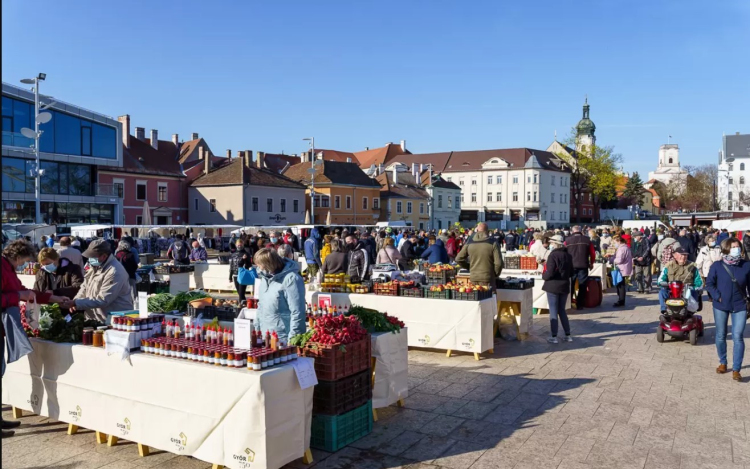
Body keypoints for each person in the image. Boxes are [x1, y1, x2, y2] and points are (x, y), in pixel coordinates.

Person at [2, 240, 70, 438]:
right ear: (17, 257)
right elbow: (18, 294)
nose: (24, 265)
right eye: (24, 261)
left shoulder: (8, 268)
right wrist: (17, 295)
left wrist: (55, 299)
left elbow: (27, 293)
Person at [704, 237, 748, 381]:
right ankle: (723, 362)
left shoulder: (746, 265)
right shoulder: (717, 265)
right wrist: (718, 296)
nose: (736, 249)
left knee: (738, 336)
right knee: (721, 334)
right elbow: (709, 284)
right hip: (721, 305)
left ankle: (736, 369)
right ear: (726, 249)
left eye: (738, 246)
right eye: (733, 246)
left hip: (740, 305)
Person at [63, 239, 135, 322]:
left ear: (104, 256)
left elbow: (103, 299)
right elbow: (84, 287)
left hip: (114, 320)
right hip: (96, 318)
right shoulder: (94, 268)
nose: (89, 259)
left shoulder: (115, 271)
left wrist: (76, 303)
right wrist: (76, 300)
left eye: (92, 256)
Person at [253, 248, 305, 344]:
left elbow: (297, 311)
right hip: (266, 335)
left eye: (260, 265)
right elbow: (261, 306)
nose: (258, 267)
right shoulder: (264, 278)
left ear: (268, 264)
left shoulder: (291, 279)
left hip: (283, 338)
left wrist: (293, 339)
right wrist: (257, 327)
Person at [542, 235, 574, 343]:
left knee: (553, 311)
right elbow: (572, 272)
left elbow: (550, 272)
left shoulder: (553, 255)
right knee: (562, 310)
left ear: (555, 244)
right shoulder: (568, 255)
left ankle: (554, 336)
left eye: (551, 243)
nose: (550, 244)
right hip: (564, 285)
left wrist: (544, 276)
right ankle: (568, 334)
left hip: (553, 285)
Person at [455, 222, 503, 288]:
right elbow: (499, 263)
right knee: (489, 297)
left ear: (477, 230)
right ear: (488, 231)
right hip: (488, 278)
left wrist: (469, 267)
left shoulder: (469, 242)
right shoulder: (493, 243)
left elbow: (458, 259)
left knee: (476, 296)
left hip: (474, 277)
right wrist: (495, 274)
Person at [657, 246, 703, 314]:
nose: (683, 257)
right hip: (672, 290)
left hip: (687, 290)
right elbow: (660, 280)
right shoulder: (668, 266)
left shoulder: (692, 267)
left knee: (692, 292)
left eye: (685, 255)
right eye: (681, 254)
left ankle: (688, 311)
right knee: (662, 292)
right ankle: (665, 310)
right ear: (675, 255)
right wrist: (665, 284)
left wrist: (693, 287)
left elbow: (699, 282)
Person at [564, 226, 595, 310]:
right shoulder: (587, 240)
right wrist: (591, 263)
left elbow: (564, 253)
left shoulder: (567, 240)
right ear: (581, 231)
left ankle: (569, 302)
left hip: (571, 266)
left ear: (572, 231)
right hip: (583, 265)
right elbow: (592, 253)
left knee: (571, 284)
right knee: (582, 285)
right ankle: (580, 304)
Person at [695, 234, 722, 300]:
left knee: (717, 283)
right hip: (707, 269)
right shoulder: (704, 249)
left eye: (713, 240)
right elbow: (699, 260)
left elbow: (722, 257)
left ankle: (717, 295)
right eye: (711, 241)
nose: (713, 241)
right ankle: (710, 296)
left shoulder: (719, 248)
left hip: (718, 269)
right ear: (707, 242)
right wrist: (698, 270)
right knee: (709, 284)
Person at [611, 235, 633, 307]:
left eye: (615, 242)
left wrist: (612, 260)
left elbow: (619, 260)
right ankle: (621, 300)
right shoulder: (626, 247)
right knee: (621, 284)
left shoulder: (621, 249)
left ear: (618, 241)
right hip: (624, 267)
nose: (614, 244)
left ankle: (621, 300)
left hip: (621, 268)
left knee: (621, 285)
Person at [229, 239, 253, 304]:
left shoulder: (246, 254)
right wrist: (230, 277)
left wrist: (244, 260)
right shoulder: (233, 254)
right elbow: (231, 266)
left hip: (243, 275)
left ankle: (241, 304)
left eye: (241, 244)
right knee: (239, 292)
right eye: (238, 245)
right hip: (235, 275)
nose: (239, 246)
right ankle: (244, 303)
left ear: (243, 245)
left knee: (241, 292)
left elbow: (249, 265)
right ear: (236, 245)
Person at [115, 240, 139, 306]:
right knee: (132, 291)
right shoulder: (130, 255)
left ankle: (122, 304)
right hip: (130, 275)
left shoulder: (117, 254)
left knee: (121, 291)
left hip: (120, 276)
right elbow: (135, 265)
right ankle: (134, 305)